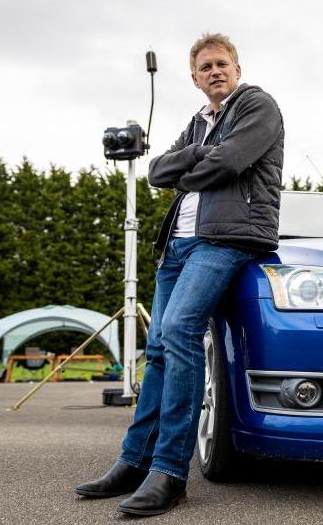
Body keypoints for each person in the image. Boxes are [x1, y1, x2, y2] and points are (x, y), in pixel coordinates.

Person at [74, 33, 284, 516]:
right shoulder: (199, 121)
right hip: (177, 245)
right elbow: (155, 171)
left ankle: (169, 472)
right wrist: (197, 158)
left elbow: (230, 161)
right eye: (205, 67)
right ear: (194, 78)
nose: (215, 71)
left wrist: (192, 164)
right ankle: (134, 460)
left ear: (237, 67)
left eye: (222, 64)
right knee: (159, 349)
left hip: (226, 239)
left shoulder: (257, 105)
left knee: (178, 330)